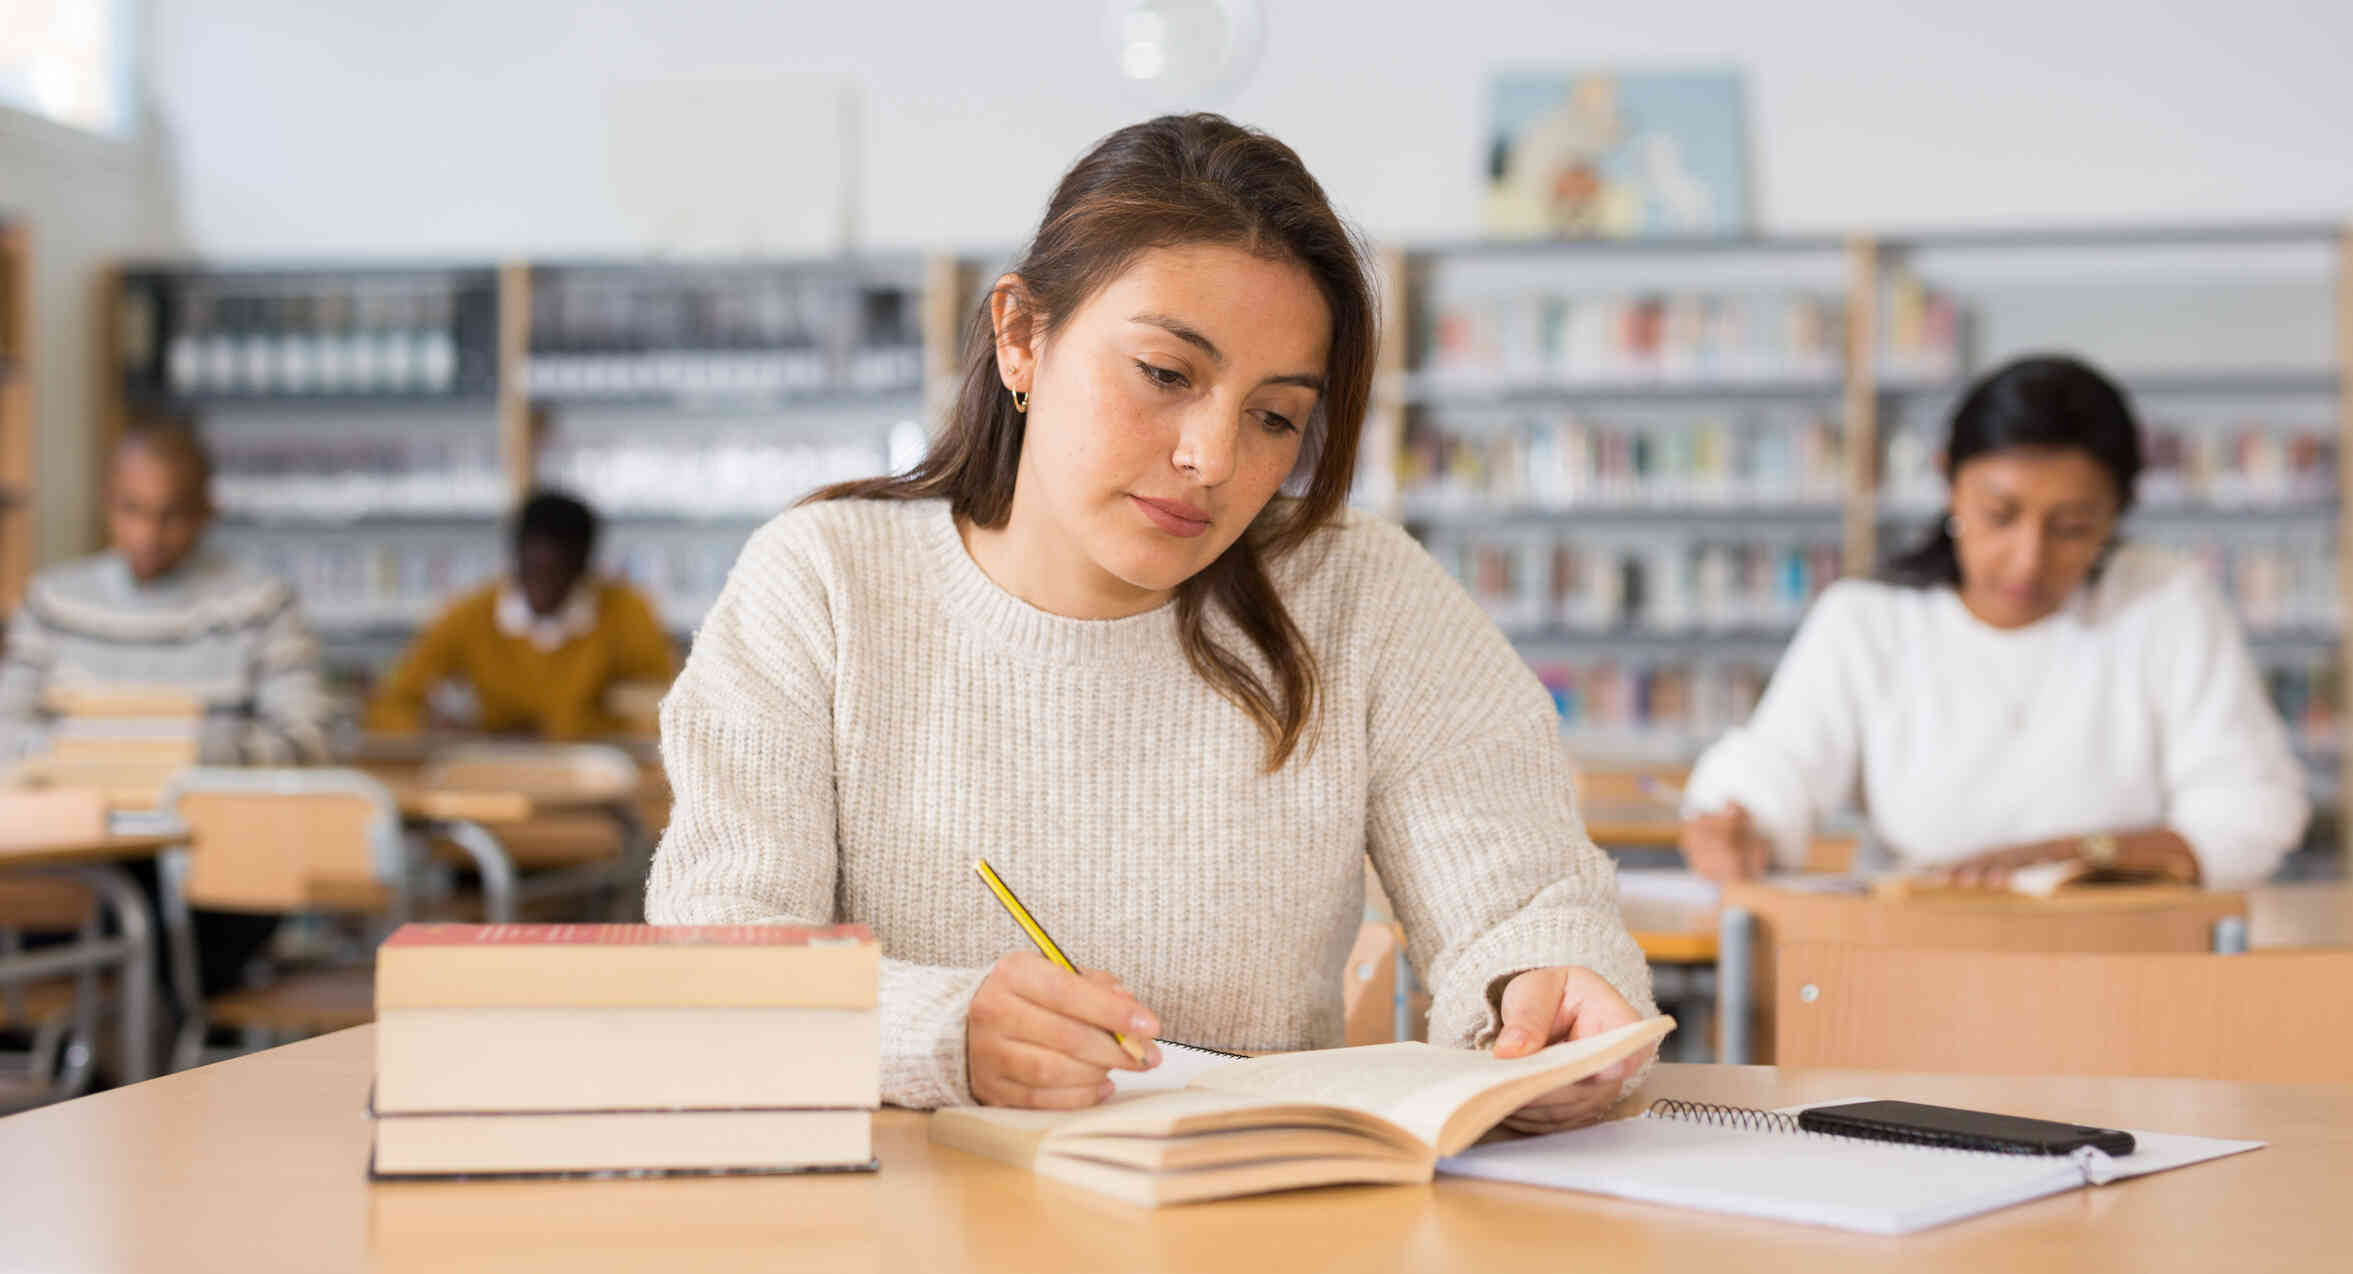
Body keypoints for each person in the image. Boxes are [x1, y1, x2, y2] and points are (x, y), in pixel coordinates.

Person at [646, 114, 1657, 1126]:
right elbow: (719, 962)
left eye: (1275, 417)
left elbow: (1526, 908)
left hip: (1252, 1212)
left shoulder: (1362, 591)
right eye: (1166, 375)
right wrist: (937, 1031)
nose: (1212, 458)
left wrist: (1541, 1002)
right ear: (1020, 337)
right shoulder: (824, 580)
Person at [1678, 355, 2309, 890]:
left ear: (2118, 514)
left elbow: (2252, 812)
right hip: (1913, 961)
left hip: (2124, 961)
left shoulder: (2167, 603)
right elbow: (1774, 769)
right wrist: (1740, 830)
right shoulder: (1868, 619)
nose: (2028, 559)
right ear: (1950, 482)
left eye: (2072, 528)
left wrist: (2079, 855)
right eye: (1999, 515)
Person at [0, 418, 334, 995]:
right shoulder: (53, 603)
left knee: (165, 927)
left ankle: (137, 1057)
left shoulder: (262, 605)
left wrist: (194, 757)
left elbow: (308, 738)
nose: (149, 533)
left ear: (208, 511)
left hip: (212, 866)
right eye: (132, 509)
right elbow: (6, 730)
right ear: (108, 503)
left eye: (172, 514)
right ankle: (123, 1057)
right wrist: (90, 762)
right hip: (77, 859)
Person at [366, 491, 674, 740]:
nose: (541, 590)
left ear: (584, 567)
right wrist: (431, 731)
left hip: (598, 783)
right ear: (514, 558)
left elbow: (671, 712)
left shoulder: (627, 613)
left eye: (557, 573)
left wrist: (565, 732)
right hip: (492, 777)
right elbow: (389, 706)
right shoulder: (470, 615)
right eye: (532, 571)